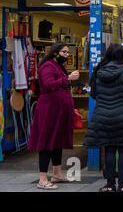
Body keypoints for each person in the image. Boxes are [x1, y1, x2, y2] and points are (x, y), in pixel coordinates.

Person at [84, 43, 123, 192]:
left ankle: (109, 184)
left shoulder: (99, 71)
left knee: (109, 149)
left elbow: (93, 94)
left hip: (103, 115)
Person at [28, 43, 80, 190]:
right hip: (49, 111)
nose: (66, 54)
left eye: (68, 52)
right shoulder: (47, 67)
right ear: (55, 53)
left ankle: (57, 173)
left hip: (58, 112)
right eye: (64, 52)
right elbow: (49, 84)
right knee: (46, 141)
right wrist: (68, 78)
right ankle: (42, 179)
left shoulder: (57, 66)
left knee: (57, 141)